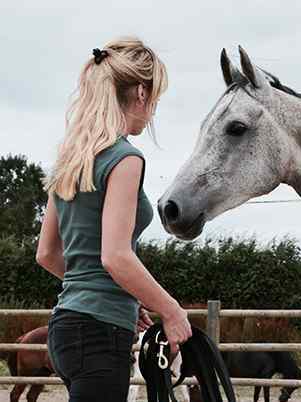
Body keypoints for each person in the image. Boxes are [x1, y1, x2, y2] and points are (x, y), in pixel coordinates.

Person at [35, 37, 192, 402]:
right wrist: (171, 311)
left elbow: (46, 253)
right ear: (140, 92)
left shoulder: (71, 159)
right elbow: (116, 256)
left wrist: (128, 297)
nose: (153, 109)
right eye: (155, 98)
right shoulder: (126, 158)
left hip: (65, 328)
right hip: (99, 334)